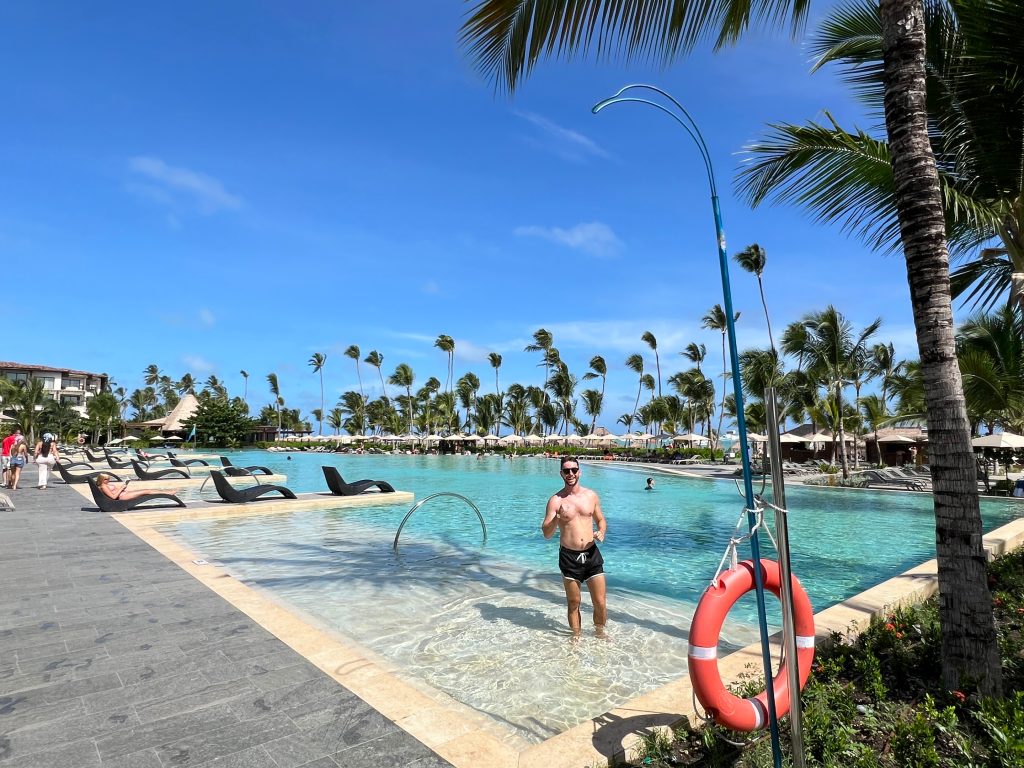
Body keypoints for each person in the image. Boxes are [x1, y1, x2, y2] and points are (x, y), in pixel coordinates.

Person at [541, 456, 607, 635]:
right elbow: (547, 533)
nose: (570, 474)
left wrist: (601, 531)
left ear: (579, 472)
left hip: (591, 554)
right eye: (566, 470)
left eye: (574, 470)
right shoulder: (556, 500)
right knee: (573, 603)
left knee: (600, 603)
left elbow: (601, 519)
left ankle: (600, 635)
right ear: (561, 473)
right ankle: (575, 639)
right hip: (569, 557)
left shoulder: (591, 496)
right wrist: (557, 517)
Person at [94, 473, 177, 501]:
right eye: (106, 479)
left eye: (108, 479)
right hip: (122, 497)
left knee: (147, 490)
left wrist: (123, 487)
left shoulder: (105, 485)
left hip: (124, 493)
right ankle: (168, 493)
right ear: (102, 480)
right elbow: (113, 497)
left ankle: (166, 492)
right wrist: (121, 488)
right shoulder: (103, 487)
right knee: (147, 491)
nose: (108, 480)